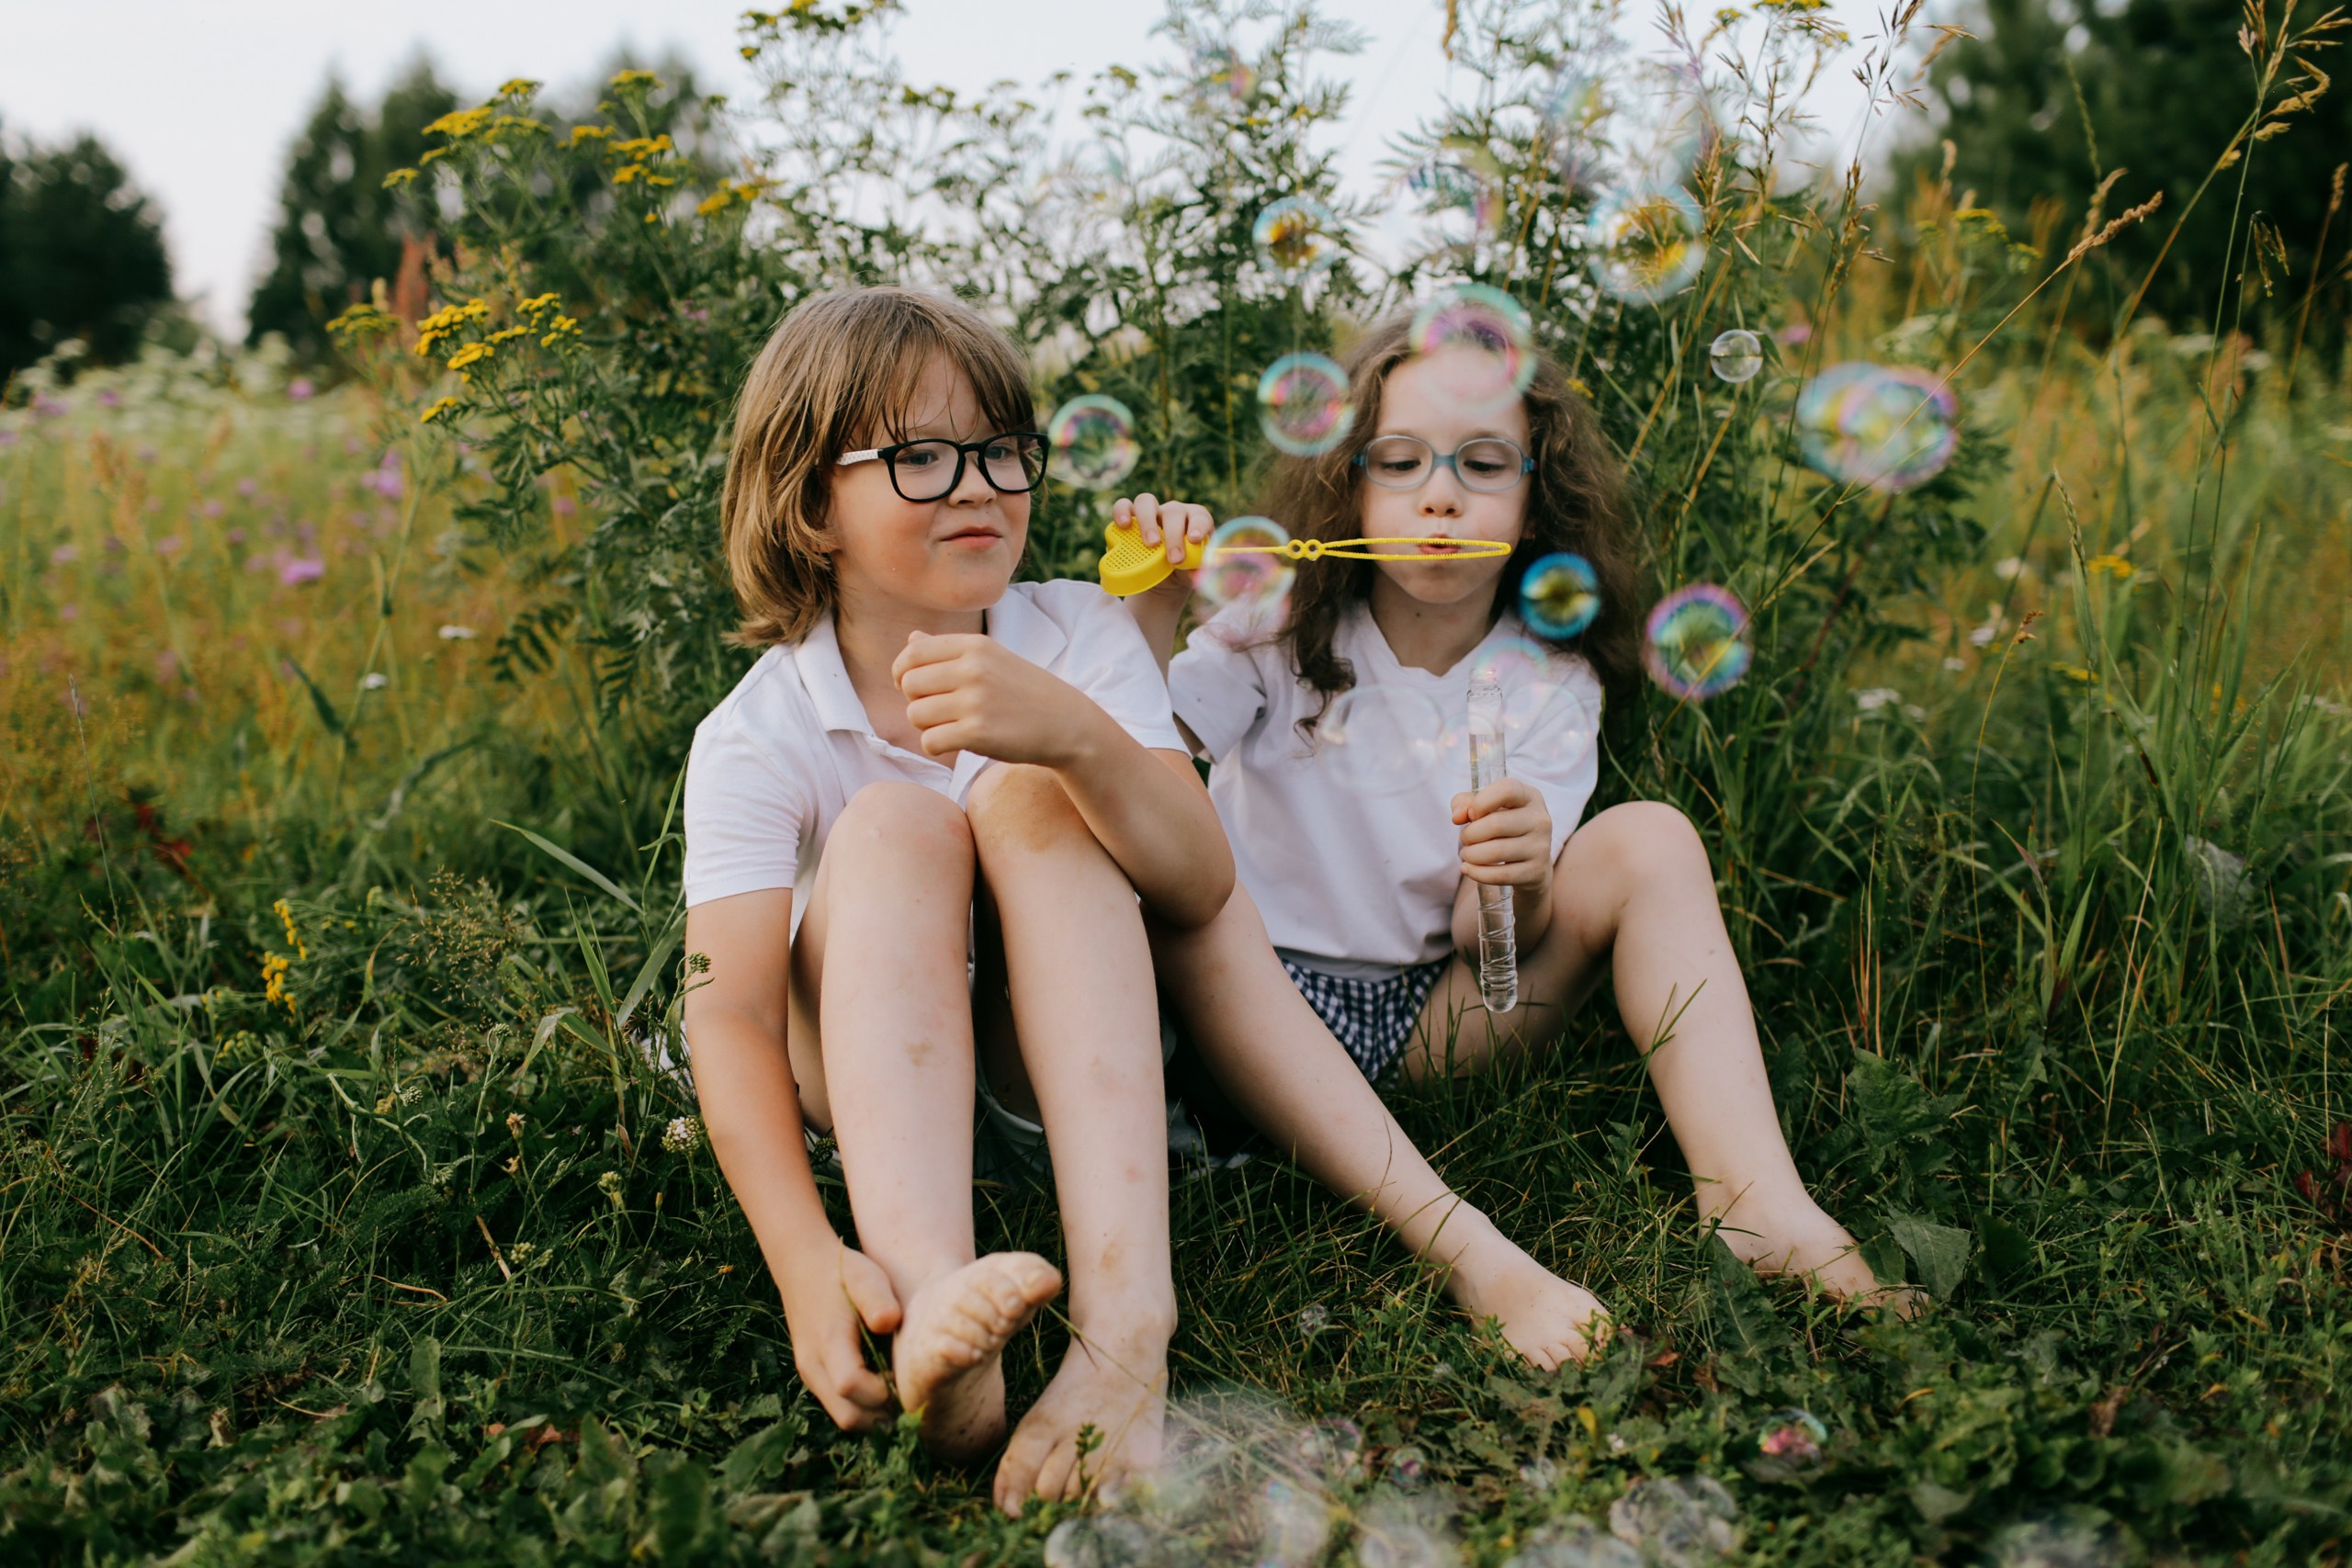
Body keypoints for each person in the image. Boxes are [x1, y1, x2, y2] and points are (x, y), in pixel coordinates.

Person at [1119, 310, 1889, 1367]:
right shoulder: (1275, 629)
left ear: (1532, 502)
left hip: (1437, 1025)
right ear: (1347, 485)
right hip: (1242, 1000)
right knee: (1145, 871)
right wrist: (1155, 609)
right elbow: (1129, 760)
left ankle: (1757, 1200)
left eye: (1483, 464)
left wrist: (1518, 879)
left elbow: (1499, 945)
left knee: (1651, 838)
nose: (1440, 494)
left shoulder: (1548, 682)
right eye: (1400, 462)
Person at [681, 287, 1232, 1513]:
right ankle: (936, 1296)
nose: (977, 482)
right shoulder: (758, 731)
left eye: (997, 448)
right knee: (891, 824)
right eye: (919, 456)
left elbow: (1196, 881)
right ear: (810, 503)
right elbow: (726, 1011)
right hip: (872, 1100)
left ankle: (1127, 1311)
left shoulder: (1078, 630)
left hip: (1057, 1085)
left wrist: (1078, 737)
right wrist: (803, 1254)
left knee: (1037, 793)